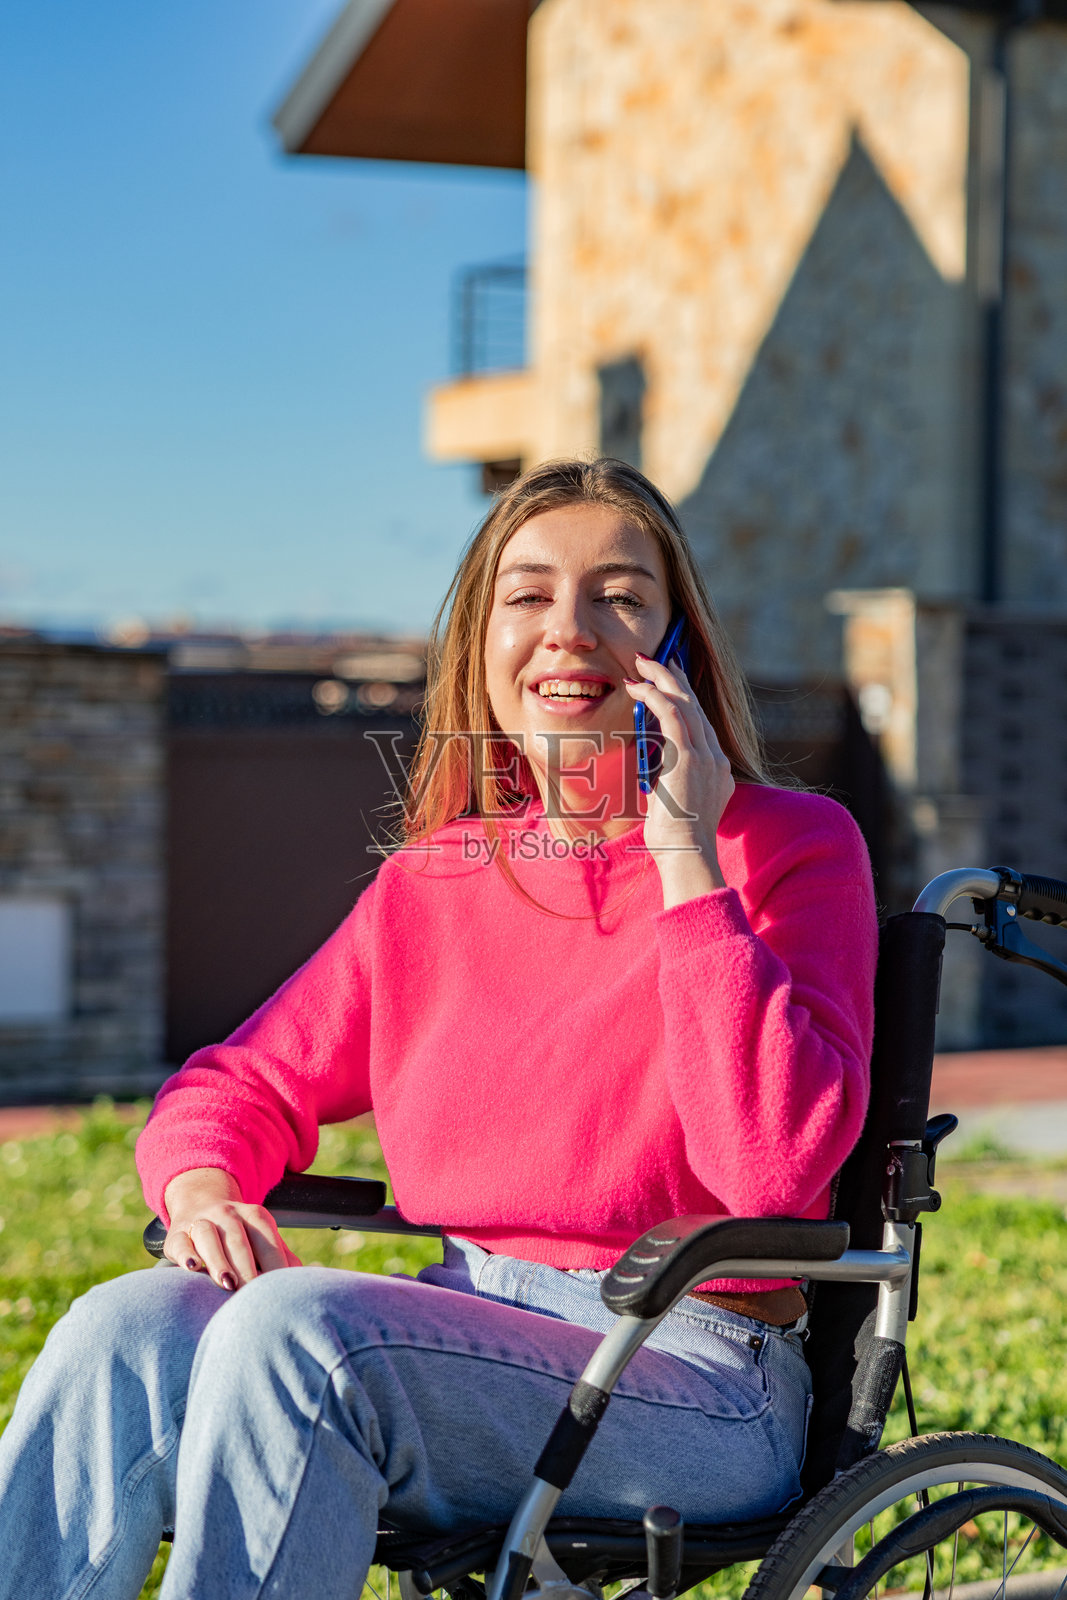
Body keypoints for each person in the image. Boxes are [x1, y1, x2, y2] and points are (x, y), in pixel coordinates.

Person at [0, 458, 877, 1600]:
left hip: (693, 1372)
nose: (569, 630)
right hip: (464, 1327)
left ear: (679, 648)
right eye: (528, 595)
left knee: (297, 1332)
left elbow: (771, 1170)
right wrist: (204, 1188)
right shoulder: (437, 881)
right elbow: (238, 1082)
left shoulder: (791, 848)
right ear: (482, 644)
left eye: (618, 597)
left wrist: (685, 863)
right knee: (124, 1328)